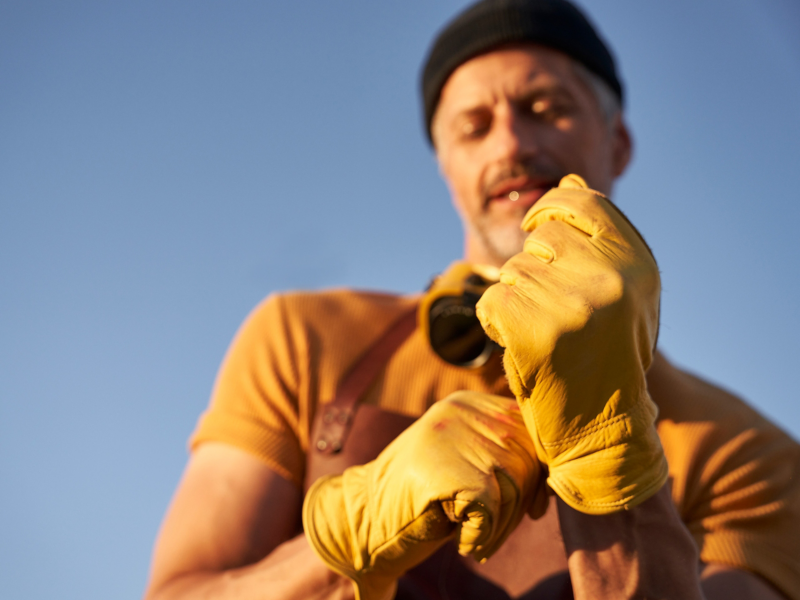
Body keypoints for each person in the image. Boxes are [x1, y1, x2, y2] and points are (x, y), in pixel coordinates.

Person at [142, 1, 800, 599]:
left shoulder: (747, 451)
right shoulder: (301, 337)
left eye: (547, 109)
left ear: (618, 143)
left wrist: (608, 455)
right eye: (474, 126)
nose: (511, 144)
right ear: (446, 165)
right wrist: (345, 540)